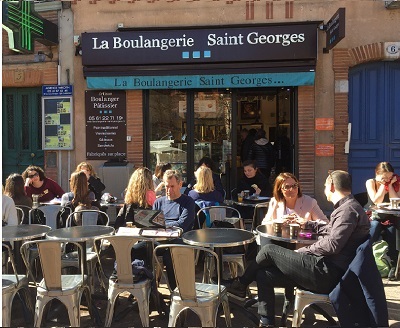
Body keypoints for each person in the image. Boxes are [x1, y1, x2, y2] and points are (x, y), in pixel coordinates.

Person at [228, 170, 370, 327]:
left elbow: (332, 245)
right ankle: (267, 322)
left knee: (268, 251)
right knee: (263, 275)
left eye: (324, 185)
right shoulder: (348, 208)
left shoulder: (347, 210)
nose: (323, 188)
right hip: (325, 268)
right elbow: (330, 230)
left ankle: (241, 284)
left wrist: (301, 252)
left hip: (326, 272)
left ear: (331, 187)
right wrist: (307, 224)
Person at [366, 161, 400, 280]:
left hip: (390, 216)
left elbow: (395, 200)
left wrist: (390, 185)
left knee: (393, 231)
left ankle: (393, 265)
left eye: (390, 177)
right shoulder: (371, 182)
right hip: (375, 215)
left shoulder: (395, 183)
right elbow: (377, 200)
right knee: (374, 228)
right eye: (384, 177)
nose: (387, 179)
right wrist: (382, 185)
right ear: (377, 173)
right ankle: (366, 258)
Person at [262, 172, 328, 225]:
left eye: (294, 186)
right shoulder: (275, 201)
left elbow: (325, 224)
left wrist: (307, 223)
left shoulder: (310, 202)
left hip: (302, 240)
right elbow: (264, 224)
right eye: (287, 187)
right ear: (280, 190)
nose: (292, 189)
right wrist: (279, 222)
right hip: (280, 239)